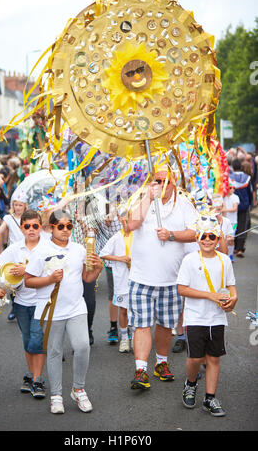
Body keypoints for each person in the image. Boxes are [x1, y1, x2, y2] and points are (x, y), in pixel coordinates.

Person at [24, 210, 103, 414]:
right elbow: (28, 280)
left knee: (83, 346)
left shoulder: (79, 249)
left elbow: (87, 278)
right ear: (51, 228)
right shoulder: (40, 251)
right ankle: (56, 395)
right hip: (51, 310)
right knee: (55, 352)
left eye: (69, 226)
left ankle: (78, 389)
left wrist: (98, 269)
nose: (66, 230)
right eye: (61, 226)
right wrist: (49, 280)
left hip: (76, 306)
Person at [127, 168, 197, 390]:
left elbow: (196, 232)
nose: (161, 184)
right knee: (142, 324)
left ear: (174, 184)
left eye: (166, 180)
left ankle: (161, 363)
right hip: (141, 277)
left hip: (170, 279)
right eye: (157, 180)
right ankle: (141, 370)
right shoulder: (143, 199)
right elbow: (131, 225)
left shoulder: (184, 204)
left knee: (165, 325)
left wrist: (172, 235)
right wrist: (148, 197)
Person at [177, 213, 238, 417]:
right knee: (195, 358)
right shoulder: (189, 260)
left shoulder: (224, 261)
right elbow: (182, 289)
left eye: (212, 236)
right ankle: (191, 383)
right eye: (203, 236)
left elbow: (231, 287)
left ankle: (210, 397)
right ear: (197, 238)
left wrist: (233, 299)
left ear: (218, 238)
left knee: (214, 358)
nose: (207, 240)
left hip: (217, 318)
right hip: (195, 317)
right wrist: (209, 295)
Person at [0, 209, 47, 398]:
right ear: (21, 228)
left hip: (42, 301)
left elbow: (56, 268)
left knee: (37, 340)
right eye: (27, 226)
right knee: (27, 340)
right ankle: (30, 374)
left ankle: (38, 379)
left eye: (35, 226)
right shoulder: (15, 248)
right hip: (21, 301)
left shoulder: (48, 246)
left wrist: (26, 269)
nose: (31, 229)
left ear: (41, 226)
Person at [100, 212, 133, 353]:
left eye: (130, 219)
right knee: (123, 309)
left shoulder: (138, 236)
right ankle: (125, 338)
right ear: (120, 219)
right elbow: (103, 254)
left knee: (137, 310)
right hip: (122, 280)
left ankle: (137, 336)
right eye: (125, 219)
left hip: (137, 278)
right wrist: (120, 259)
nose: (127, 222)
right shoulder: (116, 237)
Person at [0, 189, 27, 320]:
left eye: (20, 205)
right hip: (14, 253)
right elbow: (0, 230)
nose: (18, 207)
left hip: (28, 251)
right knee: (14, 280)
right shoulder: (8, 218)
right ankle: (15, 307)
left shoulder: (29, 218)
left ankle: (24, 306)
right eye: (15, 204)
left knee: (26, 280)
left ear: (25, 205)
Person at [230, 158, 253, 257]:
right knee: (242, 227)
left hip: (231, 206)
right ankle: (240, 249)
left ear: (233, 167)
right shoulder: (247, 178)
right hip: (244, 205)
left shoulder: (229, 177)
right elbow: (250, 192)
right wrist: (251, 203)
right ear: (241, 166)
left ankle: (233, 247)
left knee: (232, 225)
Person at [223, 180, 240, 261]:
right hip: (225, 222)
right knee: (224, 239)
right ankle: (225, 254)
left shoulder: (235, 197)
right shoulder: (223, 197)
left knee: (231, 239)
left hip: (233, 222)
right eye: (230, 187)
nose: (232, 189)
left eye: (234, 188)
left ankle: (231, 255)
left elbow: (235, 208)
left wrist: (225, 210)